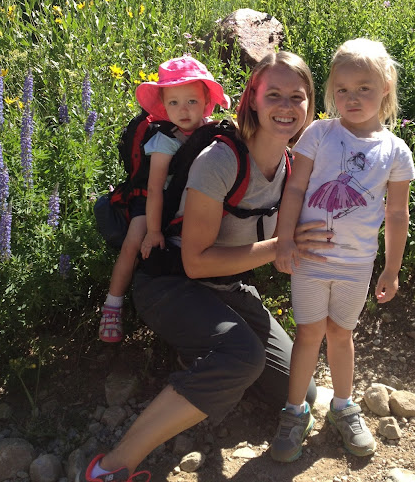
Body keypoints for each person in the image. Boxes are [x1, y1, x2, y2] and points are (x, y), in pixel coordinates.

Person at [82, 51, 333, 481]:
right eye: (273, 95)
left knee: (300, 390)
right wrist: (280, 246)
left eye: (298, 96)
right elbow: (195, 263)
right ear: (251, 100)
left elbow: (281, 256)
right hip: (170, 282)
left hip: (228, 287)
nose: (287, 106)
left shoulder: (290, 166)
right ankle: (110, 468)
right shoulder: (221, 159)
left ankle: (201, 357)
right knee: (240, 357)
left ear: (310, 105)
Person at [273, 38, 415, 462]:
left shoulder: (395, 150)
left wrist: (391, 269)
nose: (352, 98)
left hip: (357, 265)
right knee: (308, 334)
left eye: (364, 88)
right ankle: (294, 412)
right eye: (342, 89)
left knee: (341, 334)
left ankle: (342, 406)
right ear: (331, 91)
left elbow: (397, 214)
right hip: (310, 260)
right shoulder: (319, 133)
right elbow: (294, 188)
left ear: (385, 87)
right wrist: (284, 239)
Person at [98, 55, 230, 342]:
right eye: (174, 103)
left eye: (191, 101)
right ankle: (112, 304)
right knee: (134, 241)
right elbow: (155, 189)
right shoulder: (165, 139)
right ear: (164, 105)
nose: (183, 110)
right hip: (154, 200)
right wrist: (154, 231)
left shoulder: (212, 129)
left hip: (191, 199)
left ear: (206, 102)